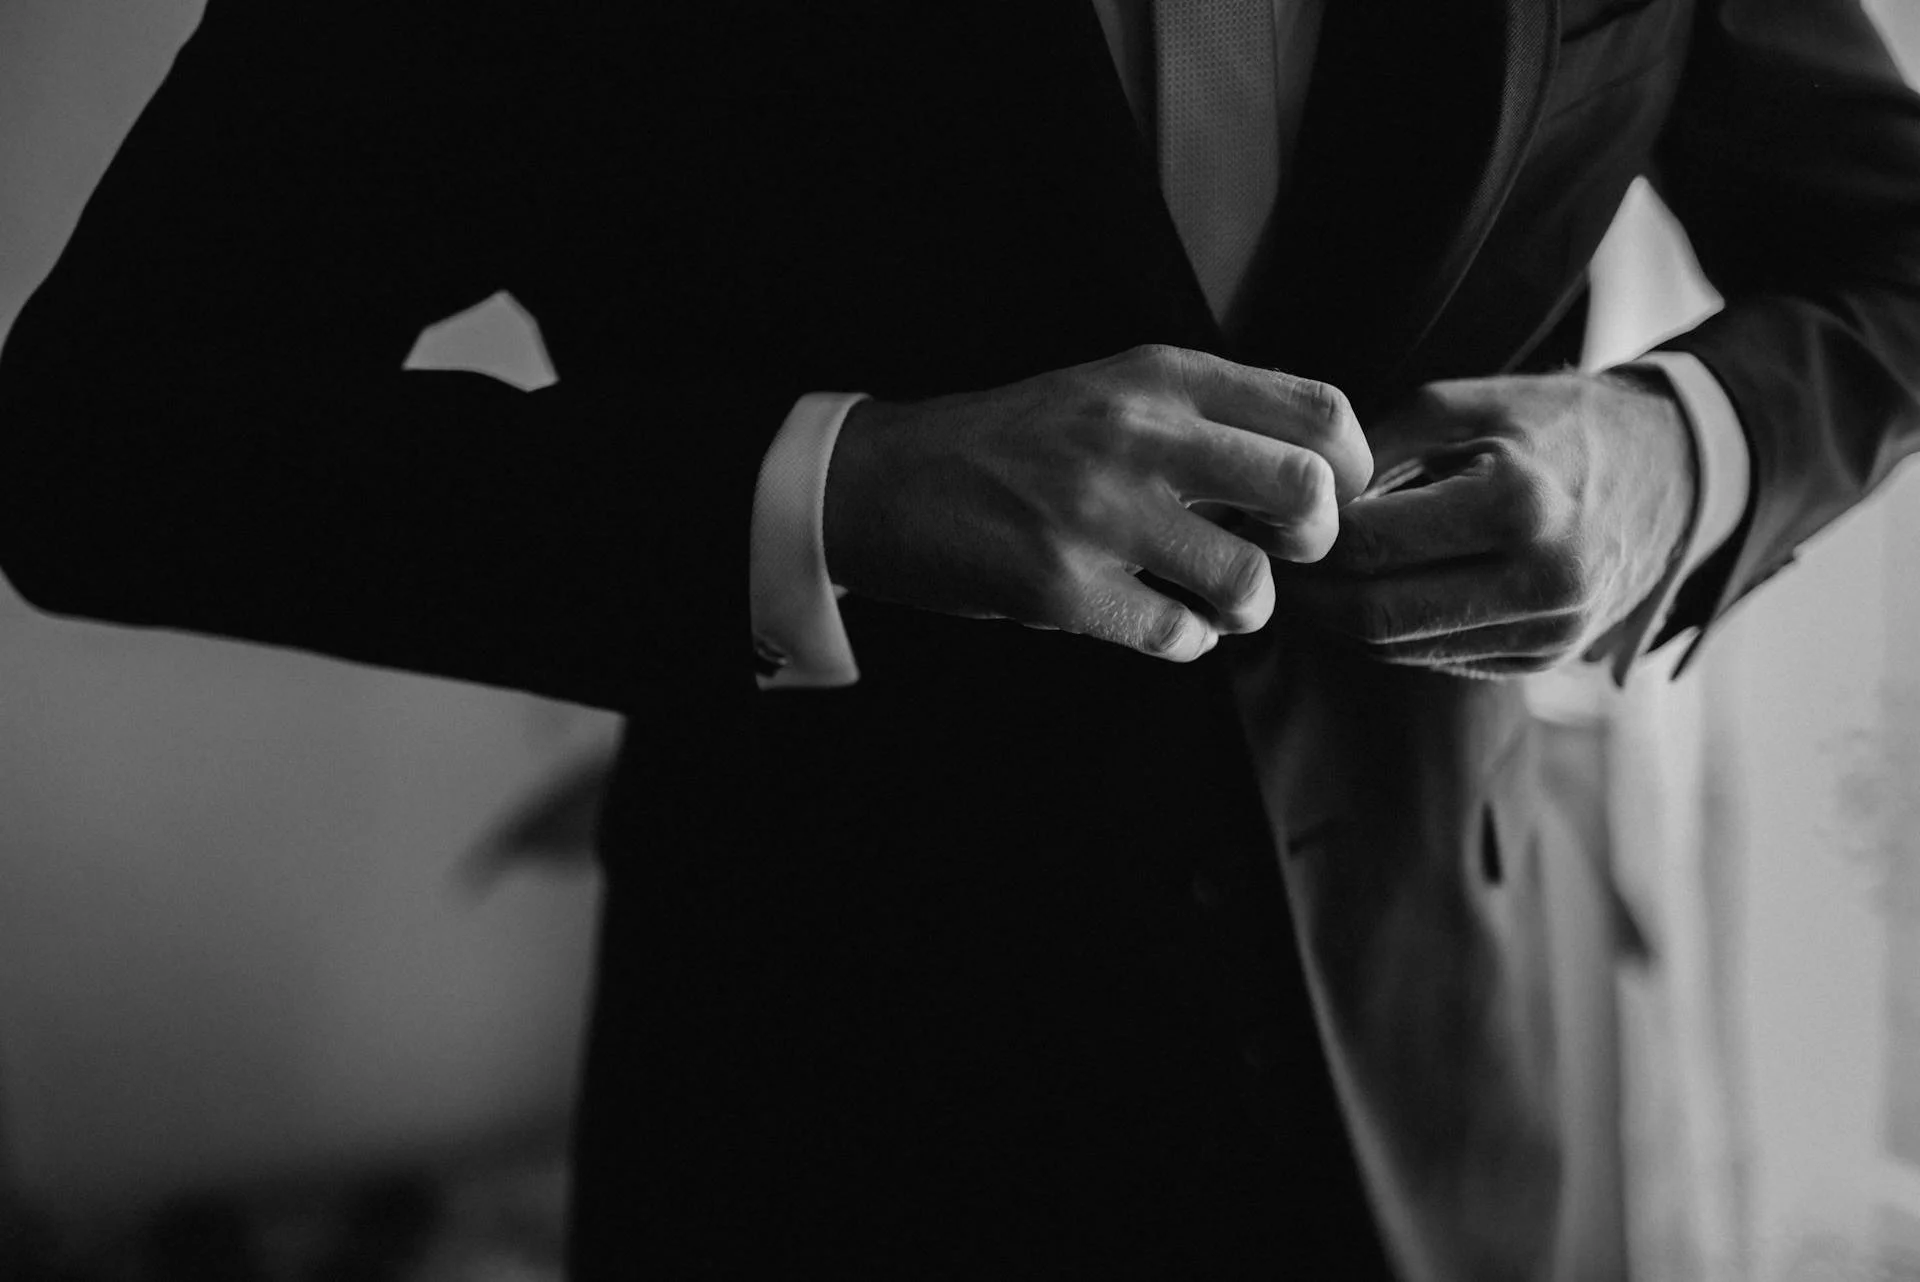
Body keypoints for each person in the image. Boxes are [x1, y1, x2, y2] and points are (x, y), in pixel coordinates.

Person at [1, 0, 1917, 1276]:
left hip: (1428, 1100)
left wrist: (1685, 455)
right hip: (825, 1111)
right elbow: (95, 439)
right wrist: (838, 487)